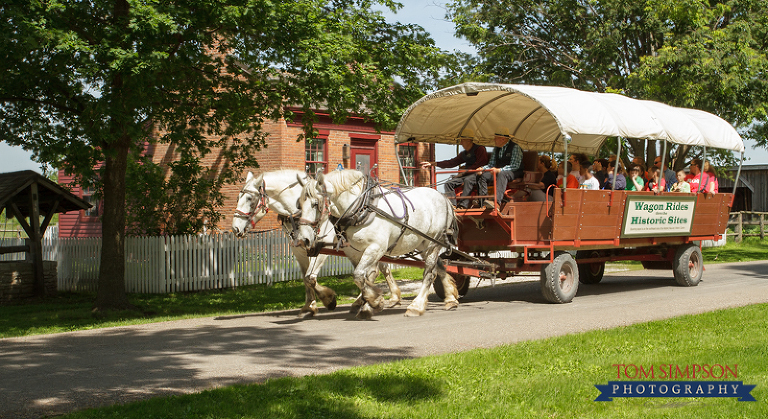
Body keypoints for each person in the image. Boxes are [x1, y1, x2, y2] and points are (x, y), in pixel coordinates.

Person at [421, 136, 489, 208]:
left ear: (469, 141)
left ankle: (463, 205)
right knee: (449, 184)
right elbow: (452, 162)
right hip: (467, 174)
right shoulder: (465, 153)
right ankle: (453, 205)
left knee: (467, 180)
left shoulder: (480, 149)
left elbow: (481, 164)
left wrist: (465, 172)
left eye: (462, 140)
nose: (461, 143)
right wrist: (434, 164)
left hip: (479, 174)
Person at [464, 131, 524, 209]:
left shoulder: (515, 147)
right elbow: (491, 164)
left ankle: (496, 203)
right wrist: (482, 169)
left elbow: (515, 166)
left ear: (503, 139)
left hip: (514, 172)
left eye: (496, 138)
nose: (494, 140)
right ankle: (483, 202)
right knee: (482, 175)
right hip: (499, 171)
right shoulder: (496, 149)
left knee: (503, 174)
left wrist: (499, 170)